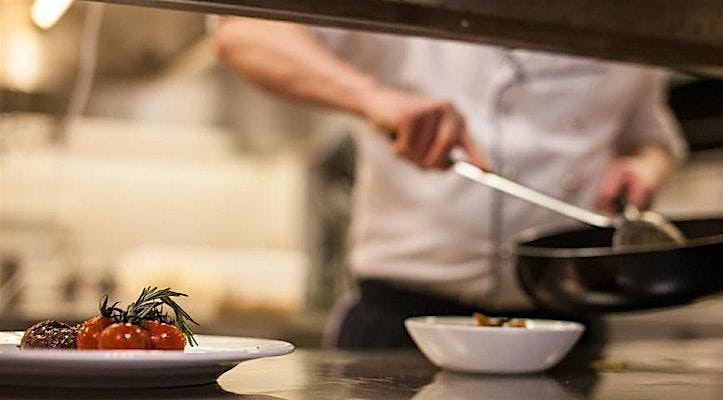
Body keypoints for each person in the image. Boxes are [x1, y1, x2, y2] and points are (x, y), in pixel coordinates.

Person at [214, 18, 687, 349]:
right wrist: (372, 98)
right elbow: (245, 31)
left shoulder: (624, 14)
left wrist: (644, 168)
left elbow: (652, 138)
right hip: (402, 323)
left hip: (566, 327)